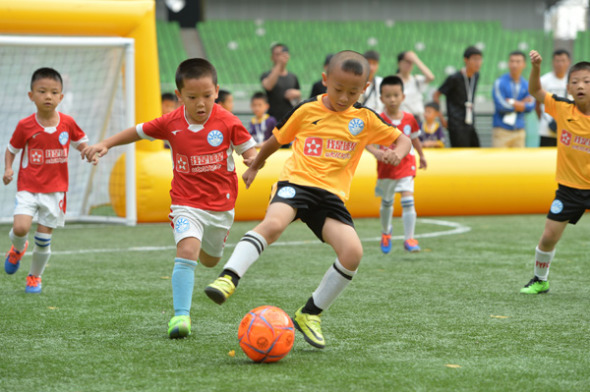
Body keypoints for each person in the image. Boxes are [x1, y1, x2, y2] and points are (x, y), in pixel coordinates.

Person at [204, 50, 411, 349]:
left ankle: (310, 314)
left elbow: (402, 139)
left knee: (352, 252)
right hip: (296, 184)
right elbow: (275, 140)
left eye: (353, 92)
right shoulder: (305, 110)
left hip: (330, 197)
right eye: (338, 89)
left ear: (365, 89)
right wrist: (256, 165)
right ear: (325, 80)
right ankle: (229, 277)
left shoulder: (364, 118)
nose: (343, 97)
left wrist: (398, 153)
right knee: (273, 225)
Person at [81, 58, 257, 338]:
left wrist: (253, 163)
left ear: (217, 91)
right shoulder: (170, 122)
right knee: (187, 251)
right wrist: (105, 144)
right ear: (179, 96)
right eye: (192, 97)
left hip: (221, 206)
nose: (201, 104)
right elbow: (137, 132)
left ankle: (204, 244)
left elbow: (250, 151)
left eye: (208, 96)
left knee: (210, 261)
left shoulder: (228, 121)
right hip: (185, 203)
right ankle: (180, 318)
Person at [3, 67, 89, 293]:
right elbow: (11, 149)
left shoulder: (67, 123)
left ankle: (34, 277)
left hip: (56, 191)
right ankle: (17, 249)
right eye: (42, 91)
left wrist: (90, 152)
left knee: (43, 238)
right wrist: (8, 169)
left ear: (61, 97)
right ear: (31, 96)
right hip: (28, 187)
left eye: (54, 92)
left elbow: (82, 142)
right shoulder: (25, 125)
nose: (48, 96)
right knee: (20, 228)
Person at [520, 50, 590, 294]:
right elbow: (535, 92)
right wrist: (536, 68)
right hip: (569, 190)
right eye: (575, 82)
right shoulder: (562, 108)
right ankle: (540, 279)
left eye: (587, 81)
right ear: (568, 89)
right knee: (548, 236)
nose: (580, 86)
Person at [366, 76, 427, 253]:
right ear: (381, 99)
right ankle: (386, 232)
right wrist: (376, 152)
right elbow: (367, 141)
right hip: (386, 168)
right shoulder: (377, 119)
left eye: (396, 95)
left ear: (403, 97)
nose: (392, 99)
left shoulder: (409, 119)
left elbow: (414, 139)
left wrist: (421, 156)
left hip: (406, 164)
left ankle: (410, 238)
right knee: (387, 202)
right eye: (388, 96)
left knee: (408, 200)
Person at [434, 46, 483, 147]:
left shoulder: (476, 76)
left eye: (479, 59)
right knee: (461, 154)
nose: (477, 62)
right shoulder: (454, 78)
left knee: (476, 149)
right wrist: (442, 119)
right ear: (466, 60)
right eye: (474, 59)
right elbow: (436, 95)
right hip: (456, 123)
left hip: (470, 121)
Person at [492, 51, 535, 148]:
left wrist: (512, 102)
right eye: (512, 61)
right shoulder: (499, 82)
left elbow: (531, 106)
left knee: (519, 162)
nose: (514, 65)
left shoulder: (527, 85)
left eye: (518, 61)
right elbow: (501, 105)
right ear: (508, 63)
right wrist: (522, 103)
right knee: (499, 162)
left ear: (524, 64)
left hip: (519, 132)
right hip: (502, 131)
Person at [536, 49, 572, 147]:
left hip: (567, 129)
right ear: (553, 62)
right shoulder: (544, 80)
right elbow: (537, 104)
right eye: (557, 61)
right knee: (545, 159)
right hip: (546, 129)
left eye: (563, 60)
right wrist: (544, 120)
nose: (560, 64)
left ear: (568, 62)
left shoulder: (573, 81)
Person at [261, 43, 301, 121]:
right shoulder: (266, 75)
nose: (280, 57)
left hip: (289, 119)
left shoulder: (293, 76)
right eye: (277, 54)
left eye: (282, 54)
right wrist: (279, 64)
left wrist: (297, 93)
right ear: (272, 57)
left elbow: (298, 99)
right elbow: (268, 86)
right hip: (272, 120)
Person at [396, 51, 435, 123]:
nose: (408, 65)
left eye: (411, 62)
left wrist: (416, 59)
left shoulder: (416, 79)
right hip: (400, 120)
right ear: (399, 63)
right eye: (406, 61)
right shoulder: (392, 81)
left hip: (417, 119)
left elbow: (431, 77)